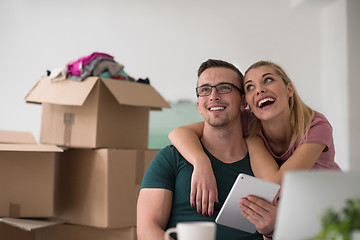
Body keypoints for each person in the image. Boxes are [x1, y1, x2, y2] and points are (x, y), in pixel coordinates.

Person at [168, 60, 341, 219]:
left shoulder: (315, 125)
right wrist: (201, 163)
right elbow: (179, 132)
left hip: (331, 204)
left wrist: (252, 138)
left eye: (267, 80)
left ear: (289, 89)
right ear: (246, 101)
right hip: (292, 209)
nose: (259, 90)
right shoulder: (247, 119)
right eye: (250, 87)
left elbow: (275, 184)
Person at [137, 59, 276, 240]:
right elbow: (147, 230)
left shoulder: (265, 164)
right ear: (199, 106)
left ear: (243, 101)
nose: (213, 96)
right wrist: (201, 162)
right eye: (204, 90)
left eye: (224, 88)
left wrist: (271, 231)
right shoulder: (170, 158)